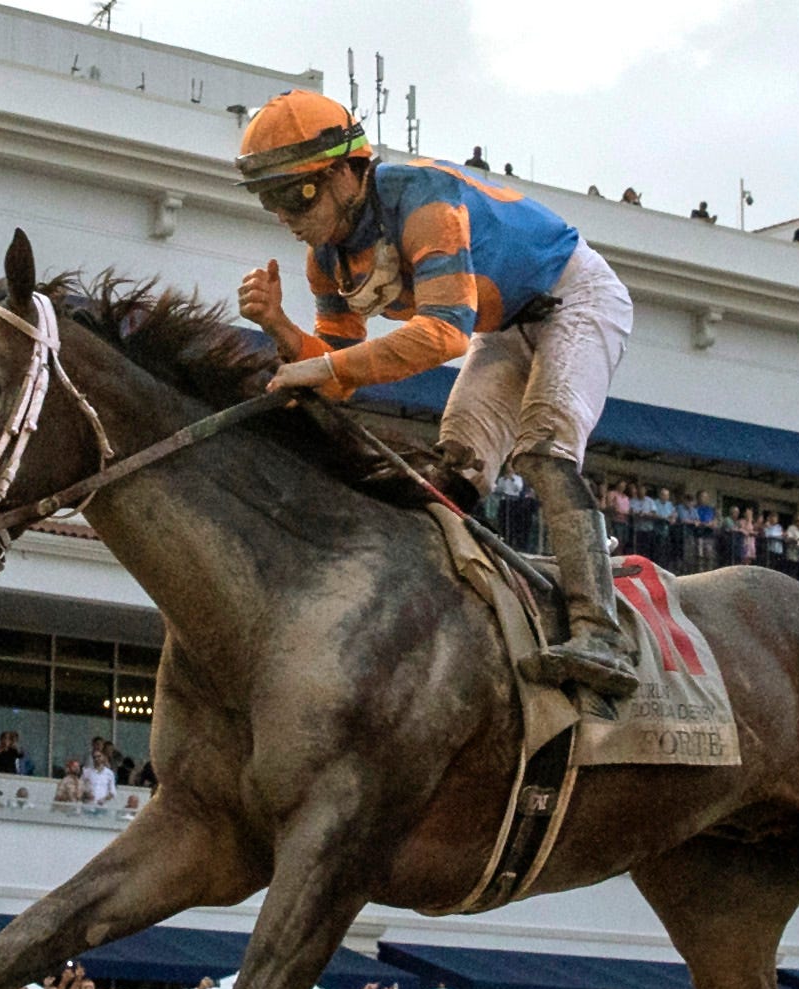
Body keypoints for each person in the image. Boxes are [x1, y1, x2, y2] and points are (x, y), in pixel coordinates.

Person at [232, 90, 638, 698]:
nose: (286, 216)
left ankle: (600, 632)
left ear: (347, 173)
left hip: (574, 298)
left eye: (297, 195)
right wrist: (282, 330)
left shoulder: (422, 200)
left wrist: (318, 370)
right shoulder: (326, 263)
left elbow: (445, 334)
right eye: (272, 200)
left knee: (543, 450)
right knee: (454, 470)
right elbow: (334, 372)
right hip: (501, 327)